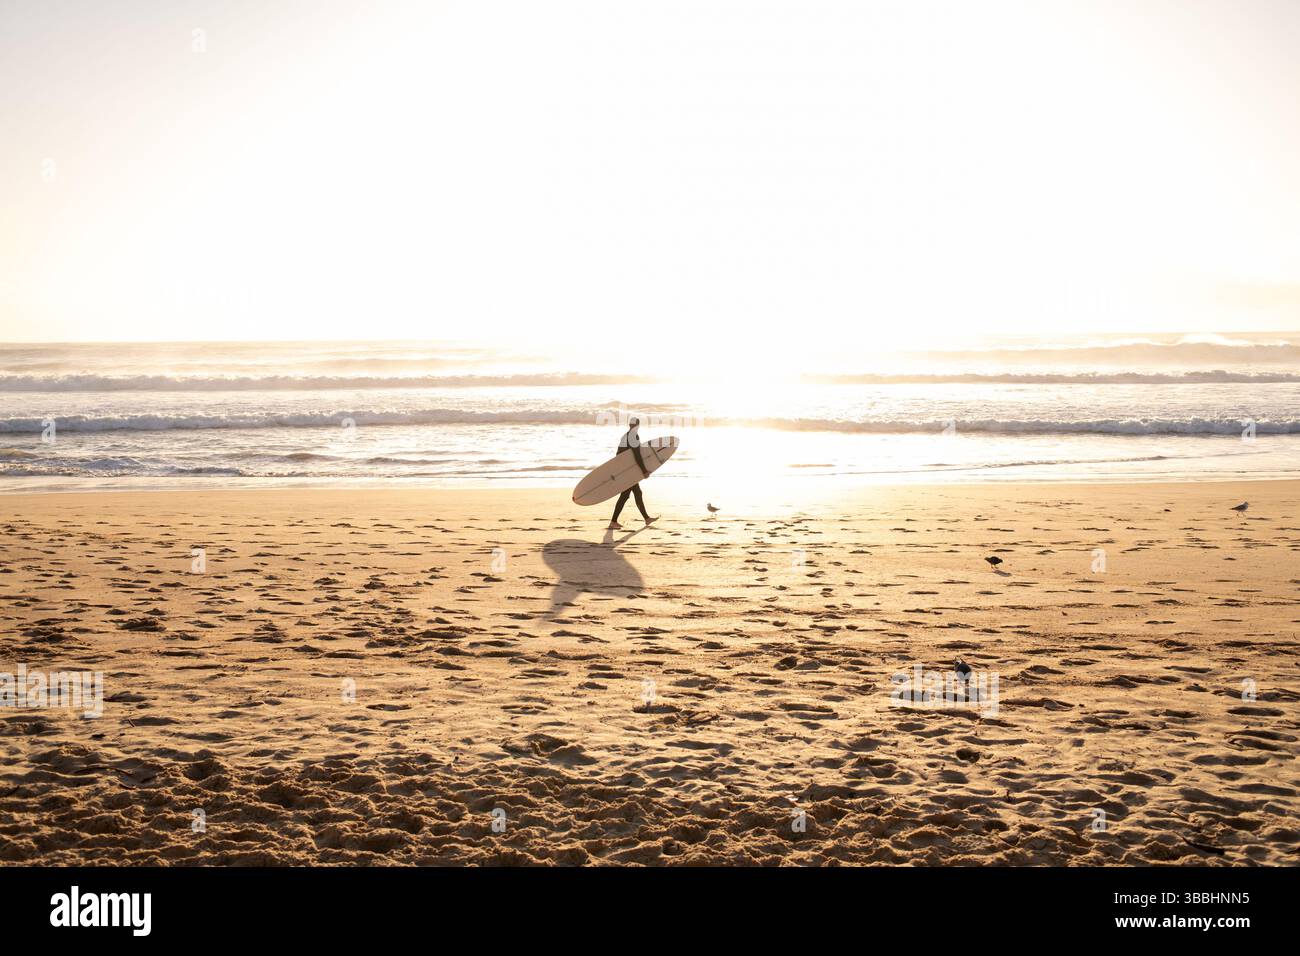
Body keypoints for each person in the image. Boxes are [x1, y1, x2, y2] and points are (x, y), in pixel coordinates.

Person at [609, 417, 657, 529]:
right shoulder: (633, 436)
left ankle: (646, 519)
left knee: (636, 493)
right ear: (638, 425)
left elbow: (618, 454)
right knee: (626, 495)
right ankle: (613, 521)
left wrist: (620, 469)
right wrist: (644, 471)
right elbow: (637, 455)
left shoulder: (625, 436)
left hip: (625, 469)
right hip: (628, 471)